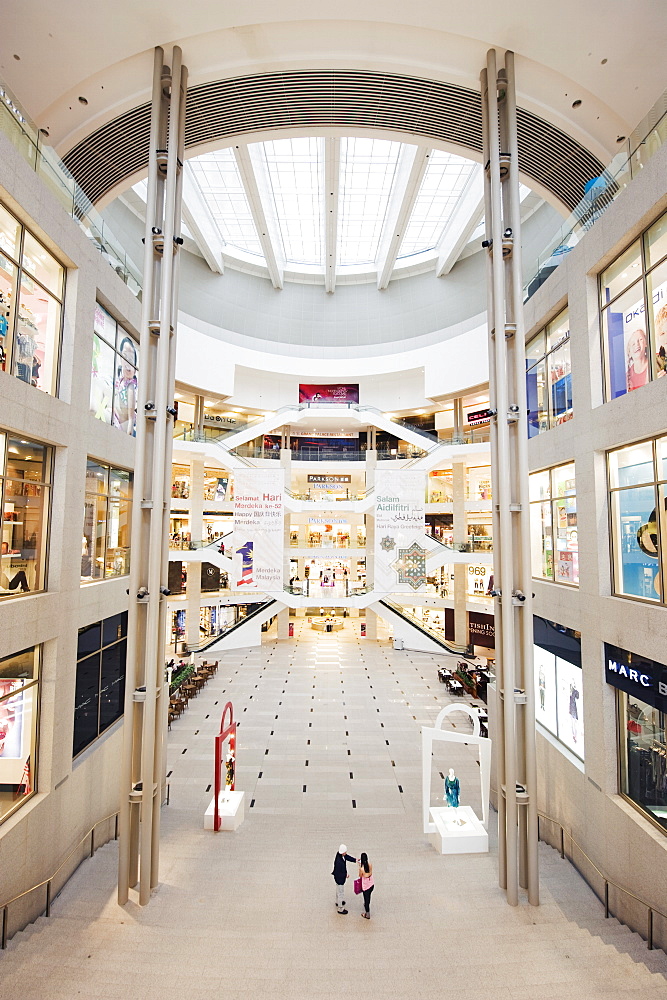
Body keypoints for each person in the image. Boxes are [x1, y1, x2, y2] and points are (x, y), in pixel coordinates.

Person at [331, 844, 356, 914]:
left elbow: (347, 857)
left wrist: (355, 860)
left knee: (338, 891)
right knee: (340, 893)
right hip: (340, 879)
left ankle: (338, 902)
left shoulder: (340, 855)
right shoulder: (339, 862)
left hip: (337, 878)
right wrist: (345, 875)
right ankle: (340, 908)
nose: (346, 853)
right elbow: (339, 872)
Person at [358, 852, 374, 919]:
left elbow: (360, 876)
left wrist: (359, 866)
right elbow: (370, 872)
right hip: (371, 883)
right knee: (369, 896)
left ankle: (367, 913)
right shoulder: (370, 865)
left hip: (366, 886)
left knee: (366, 898)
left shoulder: (361, 869)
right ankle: (367, 904)